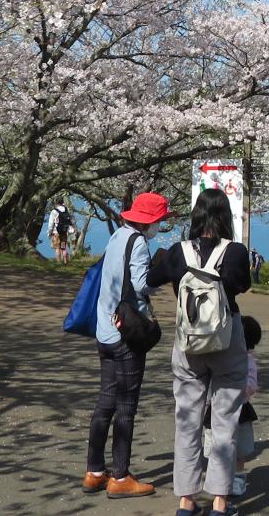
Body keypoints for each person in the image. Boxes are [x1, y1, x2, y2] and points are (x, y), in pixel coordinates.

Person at [148, 187, 252, 515]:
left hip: (188, 341)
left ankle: (186, 500)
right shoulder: (235, 251)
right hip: (225, 337)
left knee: (187, 419)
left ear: (196, 216)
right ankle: (220, 502)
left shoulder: (177, 253)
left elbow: (151, 278)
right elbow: (242, 285)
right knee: (224, 419)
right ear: (225, 217)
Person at [83, 190, 170, 497]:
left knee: (105, 402)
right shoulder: (140, 244)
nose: (160, 224)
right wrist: (163, 271)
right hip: (127, 335)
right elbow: (142, 284)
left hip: (105, 331)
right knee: (126, 407)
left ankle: (94, 471)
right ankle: (119, 476)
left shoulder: (118, 236)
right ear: (151, 221)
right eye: (160, 220)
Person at [231, 315, 261, 497]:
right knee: (217, 447)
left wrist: (237, 386)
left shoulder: (248, 361)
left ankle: (238, 478)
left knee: (239, 449)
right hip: (218, 407)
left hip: (240, 409)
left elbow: (251, 385)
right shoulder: (222, 357)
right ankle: (220, 477)